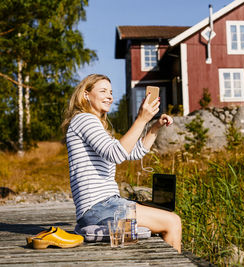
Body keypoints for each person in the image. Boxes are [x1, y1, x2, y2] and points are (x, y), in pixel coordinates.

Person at [61, 74, 182, 252]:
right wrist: (141, 119)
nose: (109, 96)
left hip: (105, 205)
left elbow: (133, 152)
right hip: (100, 207)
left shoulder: (92, 123)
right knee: (173, 221)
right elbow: (117, 154)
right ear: (86, 94)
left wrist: (154, 127)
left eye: (110, 92)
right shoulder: (85, 119)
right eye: (103, 91)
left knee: (163, 217)